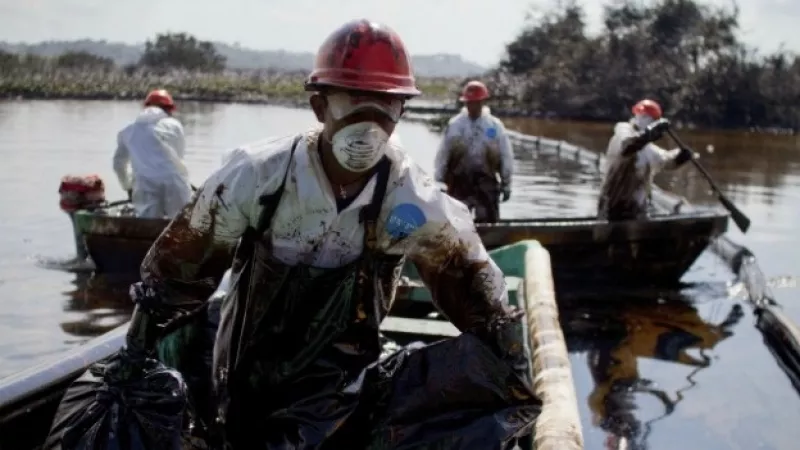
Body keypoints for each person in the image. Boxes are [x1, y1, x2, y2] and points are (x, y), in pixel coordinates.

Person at [126, 19, 539, 449]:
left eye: (386, 106)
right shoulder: (258, 177)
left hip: (344, 389)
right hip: (248, 376)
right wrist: (137, 346)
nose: (370, 122)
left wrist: (506, 354)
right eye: (354, 102)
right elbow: (179, 270)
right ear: (320, 107)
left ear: (401, 112)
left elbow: (472, 283)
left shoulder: (410, 200)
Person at [597, 99, 695, 220]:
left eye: (650, 118)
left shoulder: (647, 148)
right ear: (636, 115)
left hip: (636, 209)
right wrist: (648, 135)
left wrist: (680, 156)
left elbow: (664, 160)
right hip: (613, 206)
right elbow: (627, 145)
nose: (646, 119)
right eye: (643, 116)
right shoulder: (623, 131)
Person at [434, 80, 514, 223]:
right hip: (459, 182)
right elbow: (443, 153)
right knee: (455, 223)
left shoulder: (494, 126)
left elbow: (505, 155)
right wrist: (439, 179)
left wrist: (506, 184)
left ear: (482, 102)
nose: (472, 106)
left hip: (486, 181)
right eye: (469, 103)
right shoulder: (455, 125)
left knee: (488, 223)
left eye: (476, 102)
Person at [112, 89, 192, 219]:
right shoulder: (175, 125)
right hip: (176, 183)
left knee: (149, 224)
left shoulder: (128, 131)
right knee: (182, 222)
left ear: (145, 107)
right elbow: (179, 157)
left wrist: (127, 186)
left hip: (145, 186)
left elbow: (118, 164)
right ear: (169, 110)